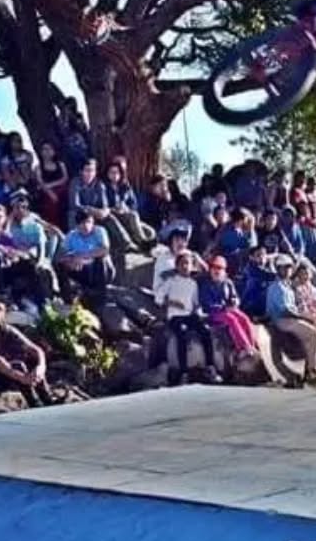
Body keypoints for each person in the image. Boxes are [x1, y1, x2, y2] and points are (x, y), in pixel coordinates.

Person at [0, 294, 56, 407]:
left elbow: (36, 350)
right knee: (17, 366)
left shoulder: (6, 329)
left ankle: (47, 398)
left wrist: (40, 368)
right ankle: (35, 403)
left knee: (32, 361)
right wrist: (22, 378)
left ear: (3, 313)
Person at [154, 249, 220, 384]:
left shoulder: (193, 283)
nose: (185, 266)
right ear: (177, 266)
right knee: (182, 333)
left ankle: (210, 367)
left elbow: (195, 303)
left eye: (188, 263)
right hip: (175, 317)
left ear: (192, 266)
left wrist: (200, 312)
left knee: (206, 331)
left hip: (189, 316)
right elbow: (158, 298)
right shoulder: (171, 281)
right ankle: (183, 372)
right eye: (182, 263)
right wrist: (171, 302)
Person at [266, 254, 316, 377]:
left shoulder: (287, 285)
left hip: (291, 318)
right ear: (278, 269)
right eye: (284, 267)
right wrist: (304, 317)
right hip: (282, 320)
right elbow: (285, 310)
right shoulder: (277, 287)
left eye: (289, 267)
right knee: (312, 333)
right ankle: (313, 369)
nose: (288, 270)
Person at [197, 255, 258, 358]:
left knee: (244, 318)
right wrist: (224, 308)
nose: (216, 271)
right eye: (214, 267)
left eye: (219, 268)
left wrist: (234, 302)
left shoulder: (228, 282)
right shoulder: (206, 285)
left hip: (229, 309)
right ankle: (243, 347)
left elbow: (235, 297)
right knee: (231, 319)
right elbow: (207, 304)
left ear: (224, 271)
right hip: (213, 314)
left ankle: (252, 345)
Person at [68, 159, 133, 252]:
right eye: (87, 170)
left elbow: (104, 205)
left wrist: (104, 211)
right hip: (80, 213)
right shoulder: (75, 182)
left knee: (109, 217)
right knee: (72, 214)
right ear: (81, 171)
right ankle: (76, 246)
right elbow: (74, 204)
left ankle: (126, 243)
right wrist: (92, 210)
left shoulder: (99, 183)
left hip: (95, 214)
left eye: (92, 170)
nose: (90, 174)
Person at [57, 210, 114, 302]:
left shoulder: (99, 231)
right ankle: (68, 297)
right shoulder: (71, 235)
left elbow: (105, 249)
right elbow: (61, 255)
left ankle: (99, 294)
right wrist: (71, 259)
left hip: (100, 269)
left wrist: (83, 256)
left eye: (89, 222)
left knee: (102, 259)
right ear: (77, 225)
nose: (86, 226)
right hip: (81, 268)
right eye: (83, 223)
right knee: (61, 266)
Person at [104, 162, 155, 250]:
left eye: (117, 172)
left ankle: (141, 241)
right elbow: (102, 205)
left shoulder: (125, 186)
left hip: (126, 216)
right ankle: (142, 242)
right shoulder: (104, 187)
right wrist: (113, 209)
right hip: (113, 215)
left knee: (150, 232)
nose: (114, 175)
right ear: (107, 174)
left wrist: (126, 208)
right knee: (133, 216)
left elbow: (133, 204)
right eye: (111, 172)